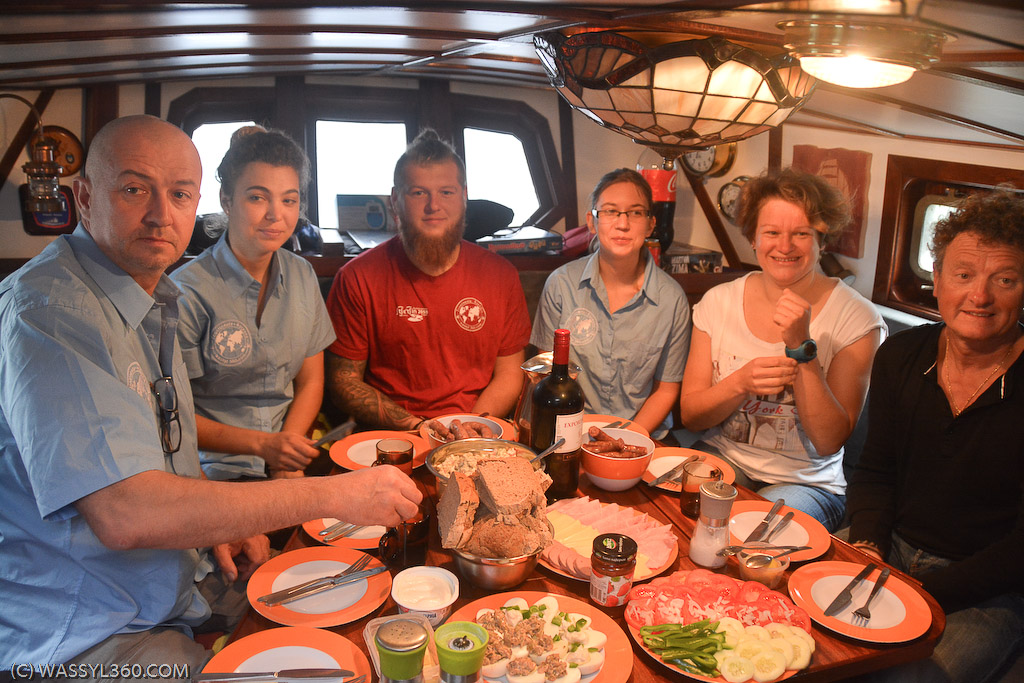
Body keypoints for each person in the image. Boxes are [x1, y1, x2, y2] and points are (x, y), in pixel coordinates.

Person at [0, 115, 421, 676]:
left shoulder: (154, 299)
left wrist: (220, 526)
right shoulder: (52, 311)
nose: (160, 214)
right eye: (134, 189)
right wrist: (329, 495)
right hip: (82, 635)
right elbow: (126, 513)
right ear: (84, 197)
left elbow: (164, 446)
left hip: (169, 588)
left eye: (179, 194)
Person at [845, 190, 1024, 683]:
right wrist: (868, 545)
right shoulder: (901, 354)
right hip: (890, 547)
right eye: (964, 275)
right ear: (938, 279)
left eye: (1004, 279)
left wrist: (922, 591)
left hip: (989, 587)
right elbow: (874, 470)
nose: (979, 297)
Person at [678, 168, 885, 531]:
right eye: (771, 233)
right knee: (679, 512)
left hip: (808, 484)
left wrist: (801, 347)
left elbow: (828, 441)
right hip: (725, 458)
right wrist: (739, 383)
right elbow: (692, 417)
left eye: (801, 234)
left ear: (822, 240)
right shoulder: (718, 302)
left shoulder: (857, 318)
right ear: (753, 238)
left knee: (753, 532)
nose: (785, 247)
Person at [325, 129, 532, 430]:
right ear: (395, 200)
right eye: (418, 192)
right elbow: (343, 381)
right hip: (395, 436)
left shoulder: (501, 275)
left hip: (477, 426)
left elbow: (510, 374)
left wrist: (468, 427)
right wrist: (417, 427)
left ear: (463, 197)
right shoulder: (357, 277)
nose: (433, 205)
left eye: (446, 192)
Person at [172, 126, 334, 481]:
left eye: (289, 200)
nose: (276, 214)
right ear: (226, 200)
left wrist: (284, 457)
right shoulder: (186, 291)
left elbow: (310, 382)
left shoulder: (303, 275)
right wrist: (264, 446)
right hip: (209, 470)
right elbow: (171, 415)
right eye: (258, 198)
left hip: (287, 459)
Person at [530, 168, 691, 439]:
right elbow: (546, 373)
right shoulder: (561, 285)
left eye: (635, 212)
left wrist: (623, 441)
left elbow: (665, 389)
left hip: (640, 436)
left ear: (650, 224)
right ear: (592, 222)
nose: (623, 224)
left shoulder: (672, 300)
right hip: (569, 432)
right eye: (610, 211)